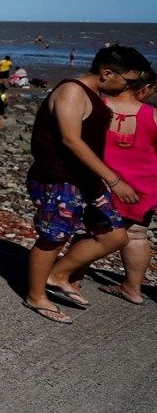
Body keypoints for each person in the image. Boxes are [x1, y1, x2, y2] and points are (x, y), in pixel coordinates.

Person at [23, 45, 149, 324]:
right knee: (53, 237)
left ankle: (58, 274)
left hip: (85, 180)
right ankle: (35, 295)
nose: (132, 87)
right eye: (129, 81)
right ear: (107, 74)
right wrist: (114, 180)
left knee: (116, 235)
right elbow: (71, 140)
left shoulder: (97, 94)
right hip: (58, 179)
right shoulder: (72, 92)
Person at [94, 69, 156, 305]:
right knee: (137, 234)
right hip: (144, 184)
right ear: (144, 88)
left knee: (89, 231)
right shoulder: (153, 115)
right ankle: (133, 288)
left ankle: (71, 279)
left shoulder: (99, 107)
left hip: (102, 179)